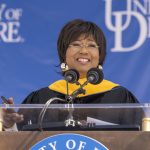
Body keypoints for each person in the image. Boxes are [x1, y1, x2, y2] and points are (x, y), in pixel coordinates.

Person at [2, 19, 141, 131]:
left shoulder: (121, 98)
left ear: (100, 55)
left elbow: (140, 140)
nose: (84, 51)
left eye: (92, 45)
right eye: (76, 44)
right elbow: (19, 141)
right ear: (64, 53)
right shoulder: (42, 99)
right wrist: (8, 125)